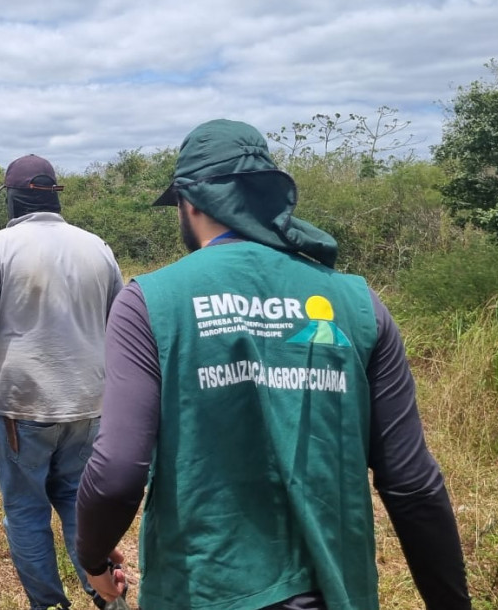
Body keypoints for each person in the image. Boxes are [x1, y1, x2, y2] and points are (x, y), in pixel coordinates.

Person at [75, 119, 471, 609]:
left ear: (190, 202)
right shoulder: (358, 303)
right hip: (335, 592)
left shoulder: (151, 302)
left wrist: (91, 557)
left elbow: (116, 469)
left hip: (205, 589)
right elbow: (412, 483)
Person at [0, 155, 125, 610]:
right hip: (89, 404)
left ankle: (49, 605)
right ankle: (105, 596)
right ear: (53, 195)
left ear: (12, 197)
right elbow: (122, 325)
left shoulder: (1, 246)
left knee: (25, 512)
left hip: (21, 408)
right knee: (78, 503)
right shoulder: (97, 247)